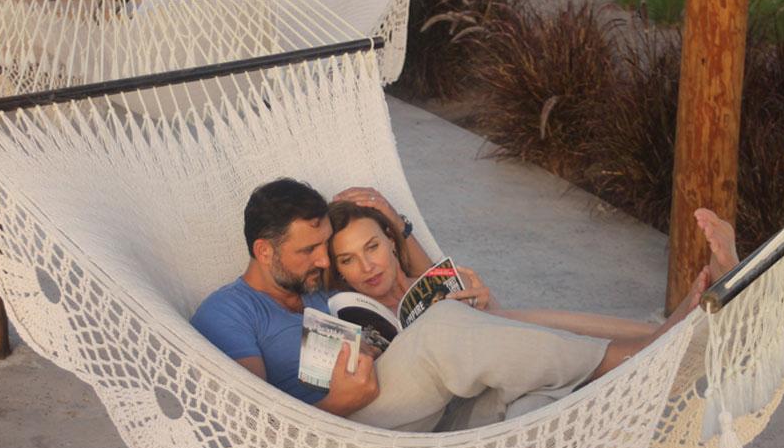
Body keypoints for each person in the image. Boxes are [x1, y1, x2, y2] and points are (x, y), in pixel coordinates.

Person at [191, 178, 736, 431]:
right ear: (264, 251)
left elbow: (416, 286)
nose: (319, 261)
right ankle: (665, 352)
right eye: (308, 250)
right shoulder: (228, 312)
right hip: (350, 427)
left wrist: (397, 225)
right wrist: (338, 402)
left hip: (431, 410)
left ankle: (677, 326)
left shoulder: (319, 290)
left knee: (532, 401)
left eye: (321, 248)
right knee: (450, 329)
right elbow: (254, 429)